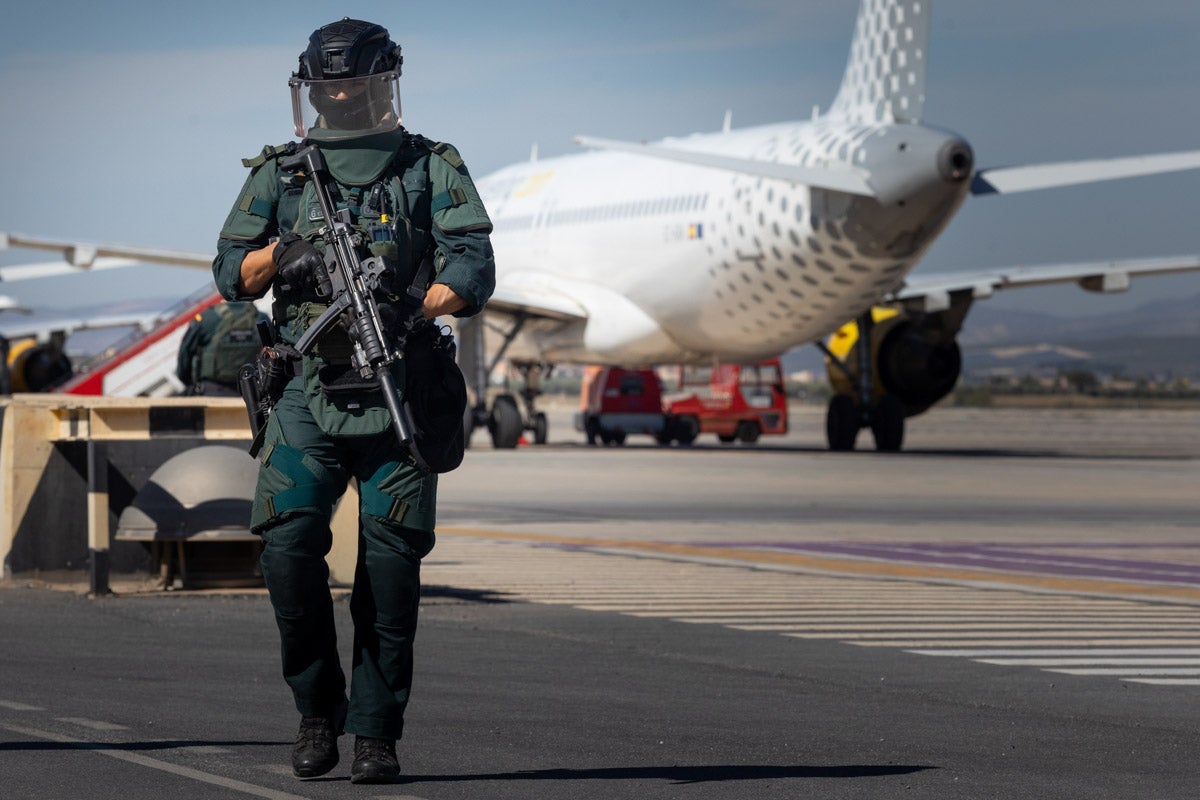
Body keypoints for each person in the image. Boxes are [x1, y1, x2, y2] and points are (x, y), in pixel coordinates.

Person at [211, 17, 494, 785]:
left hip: (401, 383)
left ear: (381, 84)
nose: (340, 95)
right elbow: (231, 270)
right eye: (327, 85)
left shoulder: (430, 166)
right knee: (287, 548)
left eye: (354, 83)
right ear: (311, 89)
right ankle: (315, 708)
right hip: (307, 387)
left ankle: (375, 733)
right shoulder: (281, 172)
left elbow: (474, 268)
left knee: (393, 569)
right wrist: (285, 255)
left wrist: (420, 303)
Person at [176, 301, 267, 396]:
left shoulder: (207, 318)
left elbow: (185, 355)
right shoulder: (260, 317)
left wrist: (190, 383)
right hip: (251, 391)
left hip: (212, 392)